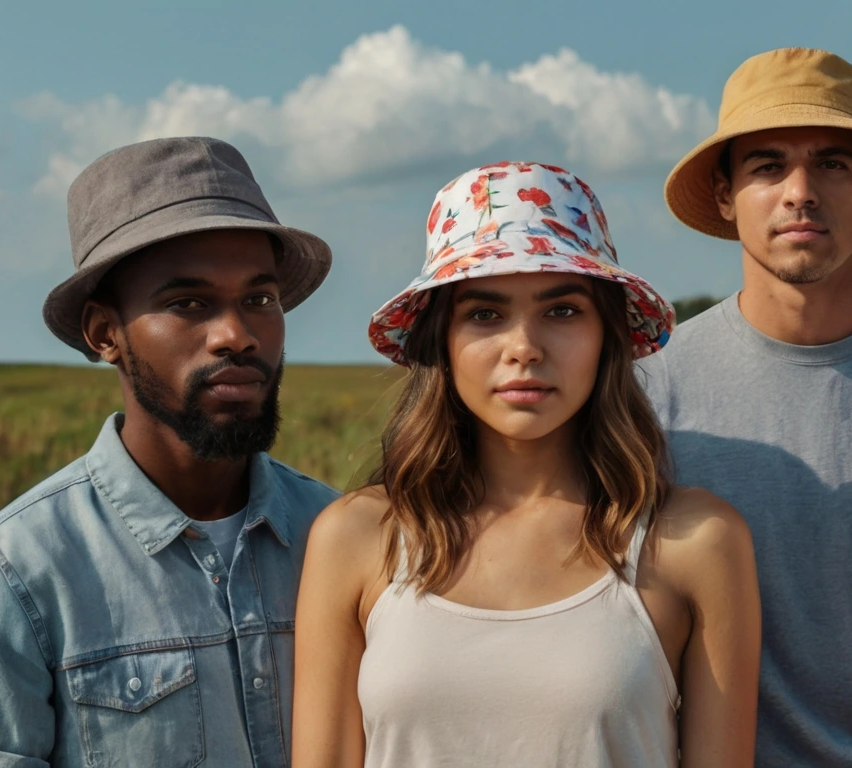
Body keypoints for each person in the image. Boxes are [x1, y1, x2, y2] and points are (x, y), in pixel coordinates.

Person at [292, 161, 761, 767]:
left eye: (562, 311)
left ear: (607, 335)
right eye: (485, 314)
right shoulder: (356, 537)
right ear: (443, 341)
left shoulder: (697, 540)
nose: (525, 348)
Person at [642, 48, 852, 767]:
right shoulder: (645, 394)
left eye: (831, 163)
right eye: (767, 166)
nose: (800, 191)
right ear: (723, 196)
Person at [0, 137, 338, 767]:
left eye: (260, 299)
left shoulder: (339, 535)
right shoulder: (17, 573)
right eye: (188, 303)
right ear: (104, 333)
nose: (238, 335)